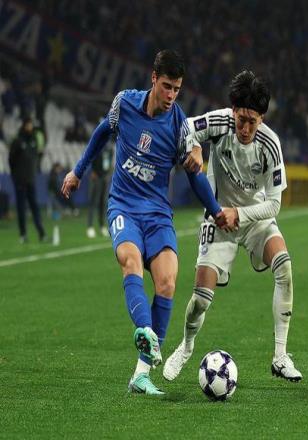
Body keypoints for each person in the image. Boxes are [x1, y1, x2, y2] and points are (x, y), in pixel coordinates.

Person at [61, 50, 225, 395]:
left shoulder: (179, 125)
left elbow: (194, 176)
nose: (171, 95)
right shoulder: (124, 104)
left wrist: (216, 210)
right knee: (130, 261)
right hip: (123, 206)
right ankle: (146, 330)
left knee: (167, 282)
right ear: (153, 78)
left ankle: (141, 375)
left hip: (157, 213)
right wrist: (78, 171)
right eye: (166, 86)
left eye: (177, 89)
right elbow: (102, 132)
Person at [163, 70, 303, 383]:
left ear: (262, 118)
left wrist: (239, 214)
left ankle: (280, 357)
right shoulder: (220, 122)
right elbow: (185, 127)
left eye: (252, 121)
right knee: (200, 300)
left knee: (284, 267)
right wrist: (194, 147)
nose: (245, 128)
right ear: (234, 111)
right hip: (217, 219)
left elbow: (275, 205)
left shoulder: (270, 144)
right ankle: (186, 346)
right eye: (241, 119)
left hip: (254, 218)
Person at [8, 116, 46, 243]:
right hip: (20, 180)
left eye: (31, 124)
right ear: (24, 125)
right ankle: (23, 234)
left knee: (35, 207)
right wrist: (15, 176)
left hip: (31, 179)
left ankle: (41, 233)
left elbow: (37, 157)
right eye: (28, 124)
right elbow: (11, 160)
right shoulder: (18, 141)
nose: (30, 127)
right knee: (21, 208)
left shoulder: (34, 140)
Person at [86, 144, 113, 238]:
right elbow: (91, 158)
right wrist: (93, 171)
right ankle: (90, 227)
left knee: (103, 202)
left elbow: (109, 162)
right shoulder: (98, 146)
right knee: (93, 202)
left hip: (104, 177)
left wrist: (108, 174)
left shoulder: (109, 149)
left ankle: (102, 226)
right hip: (96, 177)